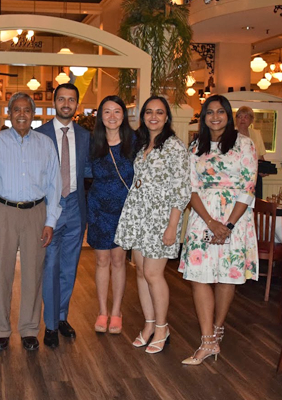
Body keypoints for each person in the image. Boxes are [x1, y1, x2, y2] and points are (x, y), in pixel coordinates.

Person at [179, 95, 258, 365]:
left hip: (236, 216)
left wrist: (228, 225)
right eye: (210, 112)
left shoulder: (245, 144)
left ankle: (218, 328)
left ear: (229, 115)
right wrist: (211, 222)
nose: (215, 116)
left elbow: (248, 187)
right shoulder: (195, 147)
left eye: (221, 111)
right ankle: (207, 341)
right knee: (199, 276)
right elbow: (190, 188)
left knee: (227, 275)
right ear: (203, 117)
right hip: (203, 217)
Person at [114, 96, 191, 354]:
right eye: (149, 112)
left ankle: (162, 327)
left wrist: (172, 226)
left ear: (167, 117)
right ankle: (148, 325)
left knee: (153, 274)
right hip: (138, 215)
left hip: (161, 217)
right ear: (143, 116)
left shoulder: (174, 146)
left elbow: (181, 189)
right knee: (139, 271)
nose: (154, 116)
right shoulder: (143, 143)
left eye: (159, 112)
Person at [0, 92, 62, 351]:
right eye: (16, 109)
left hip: (35, 213)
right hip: (2, 211)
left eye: (26, 110)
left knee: (33, 273)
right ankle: (1, 330)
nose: (21, 114)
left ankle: (30, 329)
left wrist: (51, 220)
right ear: (9, 114)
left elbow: (55, 184)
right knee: (2, 273)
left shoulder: (45, 144)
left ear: (33, 114)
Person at [35, 83, 91, 347]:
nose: (66, 103)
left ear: (76, 105)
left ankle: (61, 317)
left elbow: (89, 172)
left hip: (76, 209)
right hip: (50, 210)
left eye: (71, 99)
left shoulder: (85, 136)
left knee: (69, 267)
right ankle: (49, 325)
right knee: (51, 266)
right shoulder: (39, 134)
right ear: (54, 102)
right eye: (61, 99)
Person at [87, 95, 137, 335]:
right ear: (100, 116)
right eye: (107, 111)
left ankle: (116, 311)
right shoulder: (92, 141)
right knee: (101, 261)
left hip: (124, 209)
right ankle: (102, 310)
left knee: (118, 261)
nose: (112, 116)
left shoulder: (135, 141)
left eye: (117, 111)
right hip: (98, 208)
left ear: (123, 115)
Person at [235, 106, 267, 199]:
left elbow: (260, 157)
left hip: (255, 177)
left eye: (246, 117)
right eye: (240, 116)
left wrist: (264, 169)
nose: (242, 119)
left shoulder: (256, 134)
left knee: (255, 205)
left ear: (251, 120)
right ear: (236, 119)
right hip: (238, 177)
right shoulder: (231, 134)